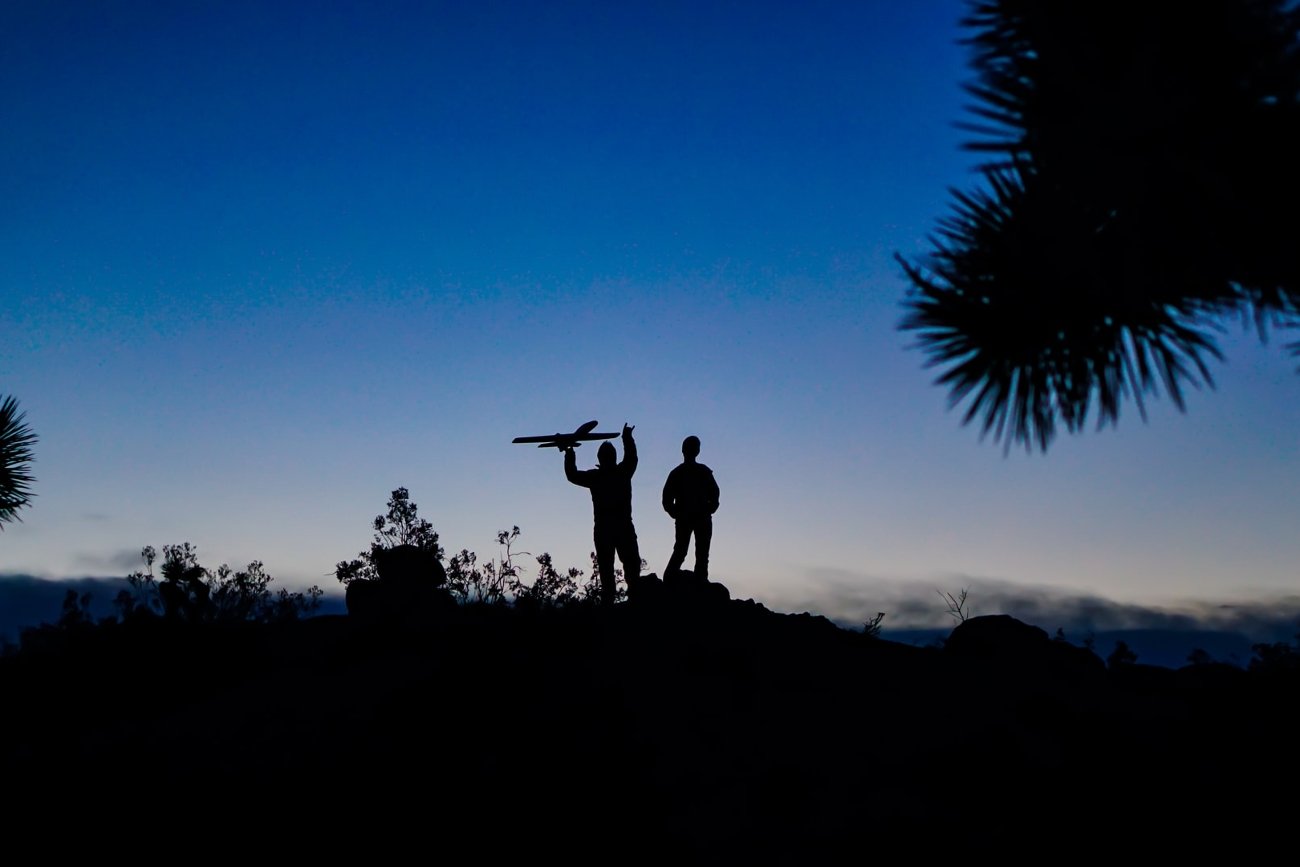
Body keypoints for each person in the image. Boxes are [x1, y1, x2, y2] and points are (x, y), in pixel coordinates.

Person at [564, 422, 641, 606]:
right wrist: (627, 438)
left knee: (613, 568)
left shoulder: (598, 477)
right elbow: (632, 457)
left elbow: (572, 474)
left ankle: (614, 602)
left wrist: (569, 453)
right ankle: (629, 600)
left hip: (608, 529)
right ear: (612, 457)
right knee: (626, 566)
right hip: (620, 527)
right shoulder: (621, 472)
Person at [661, 435, 720, 583]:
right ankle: (671, 580)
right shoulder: (683, 473)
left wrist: (710, 508)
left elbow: (715, 493)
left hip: (698, 518)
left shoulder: (696, 472)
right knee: (687, 552)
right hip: (689, 518)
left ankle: (696, 584)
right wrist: (676, 513)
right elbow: (666, 499)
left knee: (697, 553)